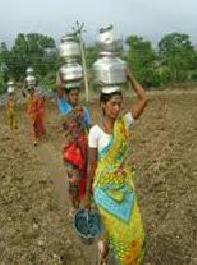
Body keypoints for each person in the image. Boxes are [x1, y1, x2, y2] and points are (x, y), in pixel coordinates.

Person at [86, 70, 148, 264]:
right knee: (119, 233)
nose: (117, 107)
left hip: (124, 188)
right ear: (103, 105)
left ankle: (103, 251)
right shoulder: (95, 132)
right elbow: (91, 167)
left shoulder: (124, 123)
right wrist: (87, 198)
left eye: (120, 103)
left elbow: (143, 98)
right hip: (104, 191)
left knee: (135, 231)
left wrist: (128, 75)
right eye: (113, 103)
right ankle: (108, 255)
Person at [56, 73, 91, 217]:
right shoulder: (64, 107)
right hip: (70, 151)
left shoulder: (84, 111)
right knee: (74, 180)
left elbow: (89, 128)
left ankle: (83, 205)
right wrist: (61, 73)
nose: (75, 97)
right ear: (67, 96)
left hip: (83, 150)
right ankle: (72, 206)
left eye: (77, 95)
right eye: (72, 95)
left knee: (84, 179)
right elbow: (58, 87)